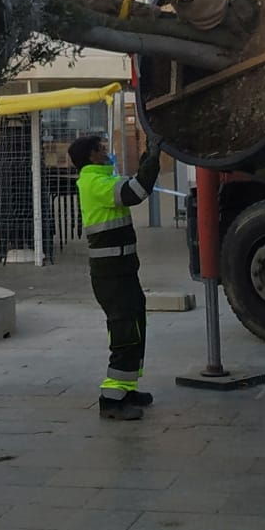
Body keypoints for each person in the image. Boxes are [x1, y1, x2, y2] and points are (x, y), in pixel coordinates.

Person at [69, 135, 162, 421]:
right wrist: (154, 158)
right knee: (124, 332)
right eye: (102, 149)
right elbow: (134, 192)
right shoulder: (93, 183)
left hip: (122, 269)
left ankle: (127, 388)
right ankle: (111, 398)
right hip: (111, 274)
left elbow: (130, 185)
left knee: (134, 325)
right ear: (91, 156)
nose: (107, 152)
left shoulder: (103, 177)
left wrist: (148, 155)